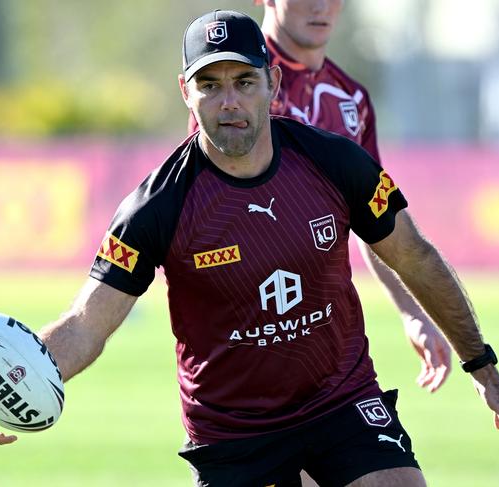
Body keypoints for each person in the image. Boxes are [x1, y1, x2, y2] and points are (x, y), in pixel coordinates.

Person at [0, 10, 499, 487]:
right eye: (210, 84)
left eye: (244, 82)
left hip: (340, 399)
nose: (229, 103)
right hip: (235, 432)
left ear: (271, 82)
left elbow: (415, 256)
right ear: (185, 93)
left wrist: (483, 364)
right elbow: (85, 326)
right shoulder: (155, 208)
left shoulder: (334, 161)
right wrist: (3, 386)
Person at [188, 0, 453, 394]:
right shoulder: (230, 78)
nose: (320, 6)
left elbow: (376, 224)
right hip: (248, 340)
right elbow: (209, 204)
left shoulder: (353, 100)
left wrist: (412, 312)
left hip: (327, 339)